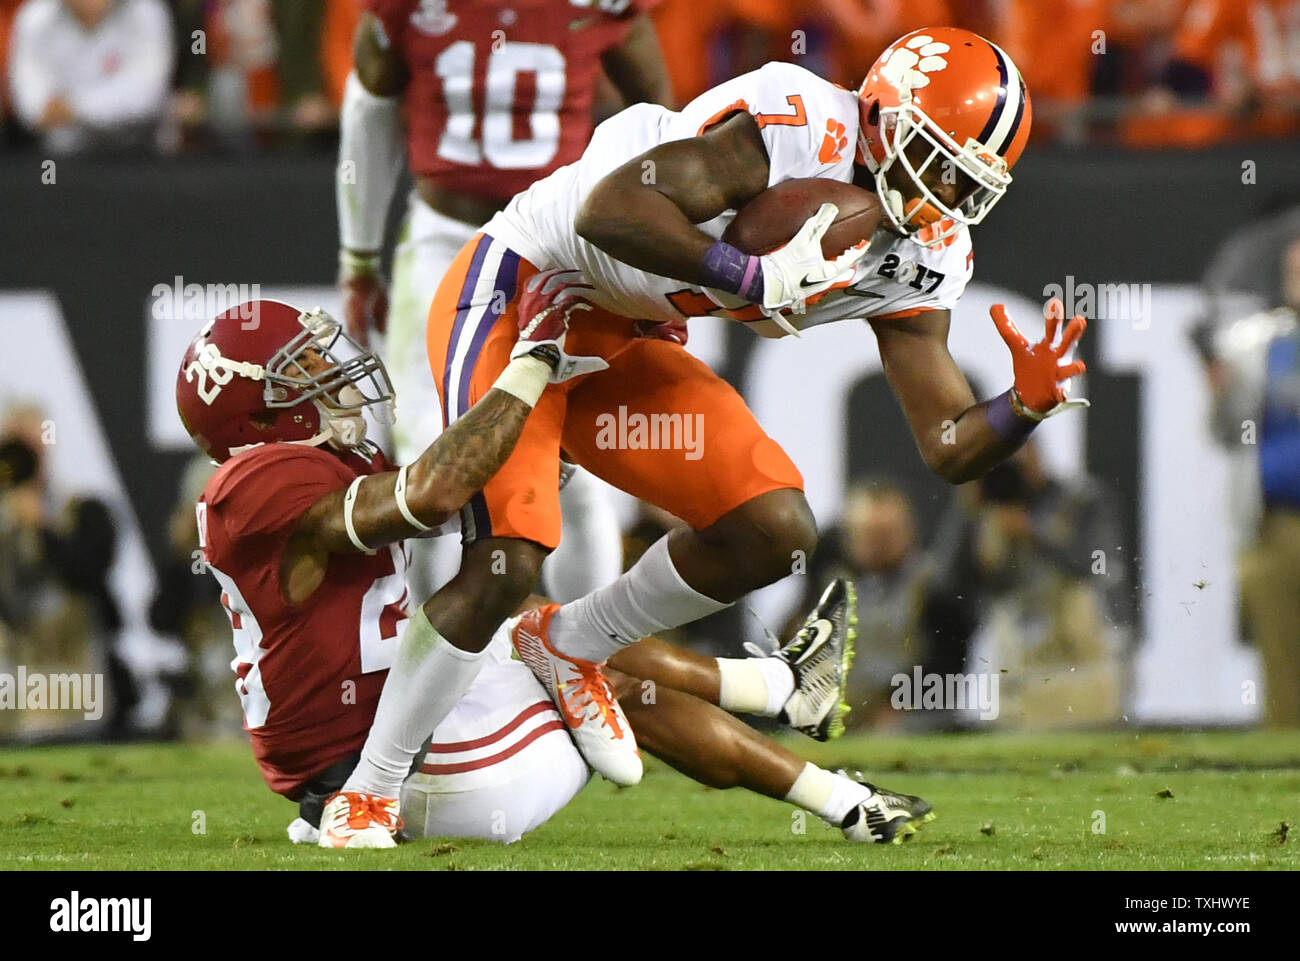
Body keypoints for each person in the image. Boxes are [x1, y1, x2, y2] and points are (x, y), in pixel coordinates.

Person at [336, 25, 1091, 824]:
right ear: (884, 113)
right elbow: (608, 211)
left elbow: (947, 446)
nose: (944, 193)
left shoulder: (930, 251)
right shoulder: (799, 120)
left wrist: (1021, 408)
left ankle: (567, 644)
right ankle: (367, 792)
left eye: (967, 179)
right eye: (937, 157)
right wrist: (749, 273)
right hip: (529, 290)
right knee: (506, 559)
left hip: (621, 334)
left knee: (772, 526)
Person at [176, 297, 932, 848]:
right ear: (258, 415)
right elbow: (436, 493)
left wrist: (548, 452)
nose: (334, 377)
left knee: (537, 623)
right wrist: (532, 369)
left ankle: (807, 735)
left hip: (382, 738)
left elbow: (461, 507)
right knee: (574, 651)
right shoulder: (258, 483)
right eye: (304, 371)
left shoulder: (304, 471)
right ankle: (799, 725)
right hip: (410, 769)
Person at [336, 0, 672, 610]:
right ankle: (432, 668)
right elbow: (370, 104)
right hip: (452, 237)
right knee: (429, 464)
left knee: (579, 465)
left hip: (557, 240)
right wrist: (358, 255)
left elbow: (656, 123)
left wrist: (643, 247)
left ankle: (585, 663)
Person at [1203, 234, 1300, 728]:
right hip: (1276, 524)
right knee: (1281, 658)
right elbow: (1225, 432)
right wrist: (1219, 389)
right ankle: (1287, 777)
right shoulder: (1257, 343)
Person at [8, 0, 174, 154]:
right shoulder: (35, 16)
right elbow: (32, 106)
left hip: (141, 156)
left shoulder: (147, 13)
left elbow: (145, 96)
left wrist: (73, 108)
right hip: (60, 160)